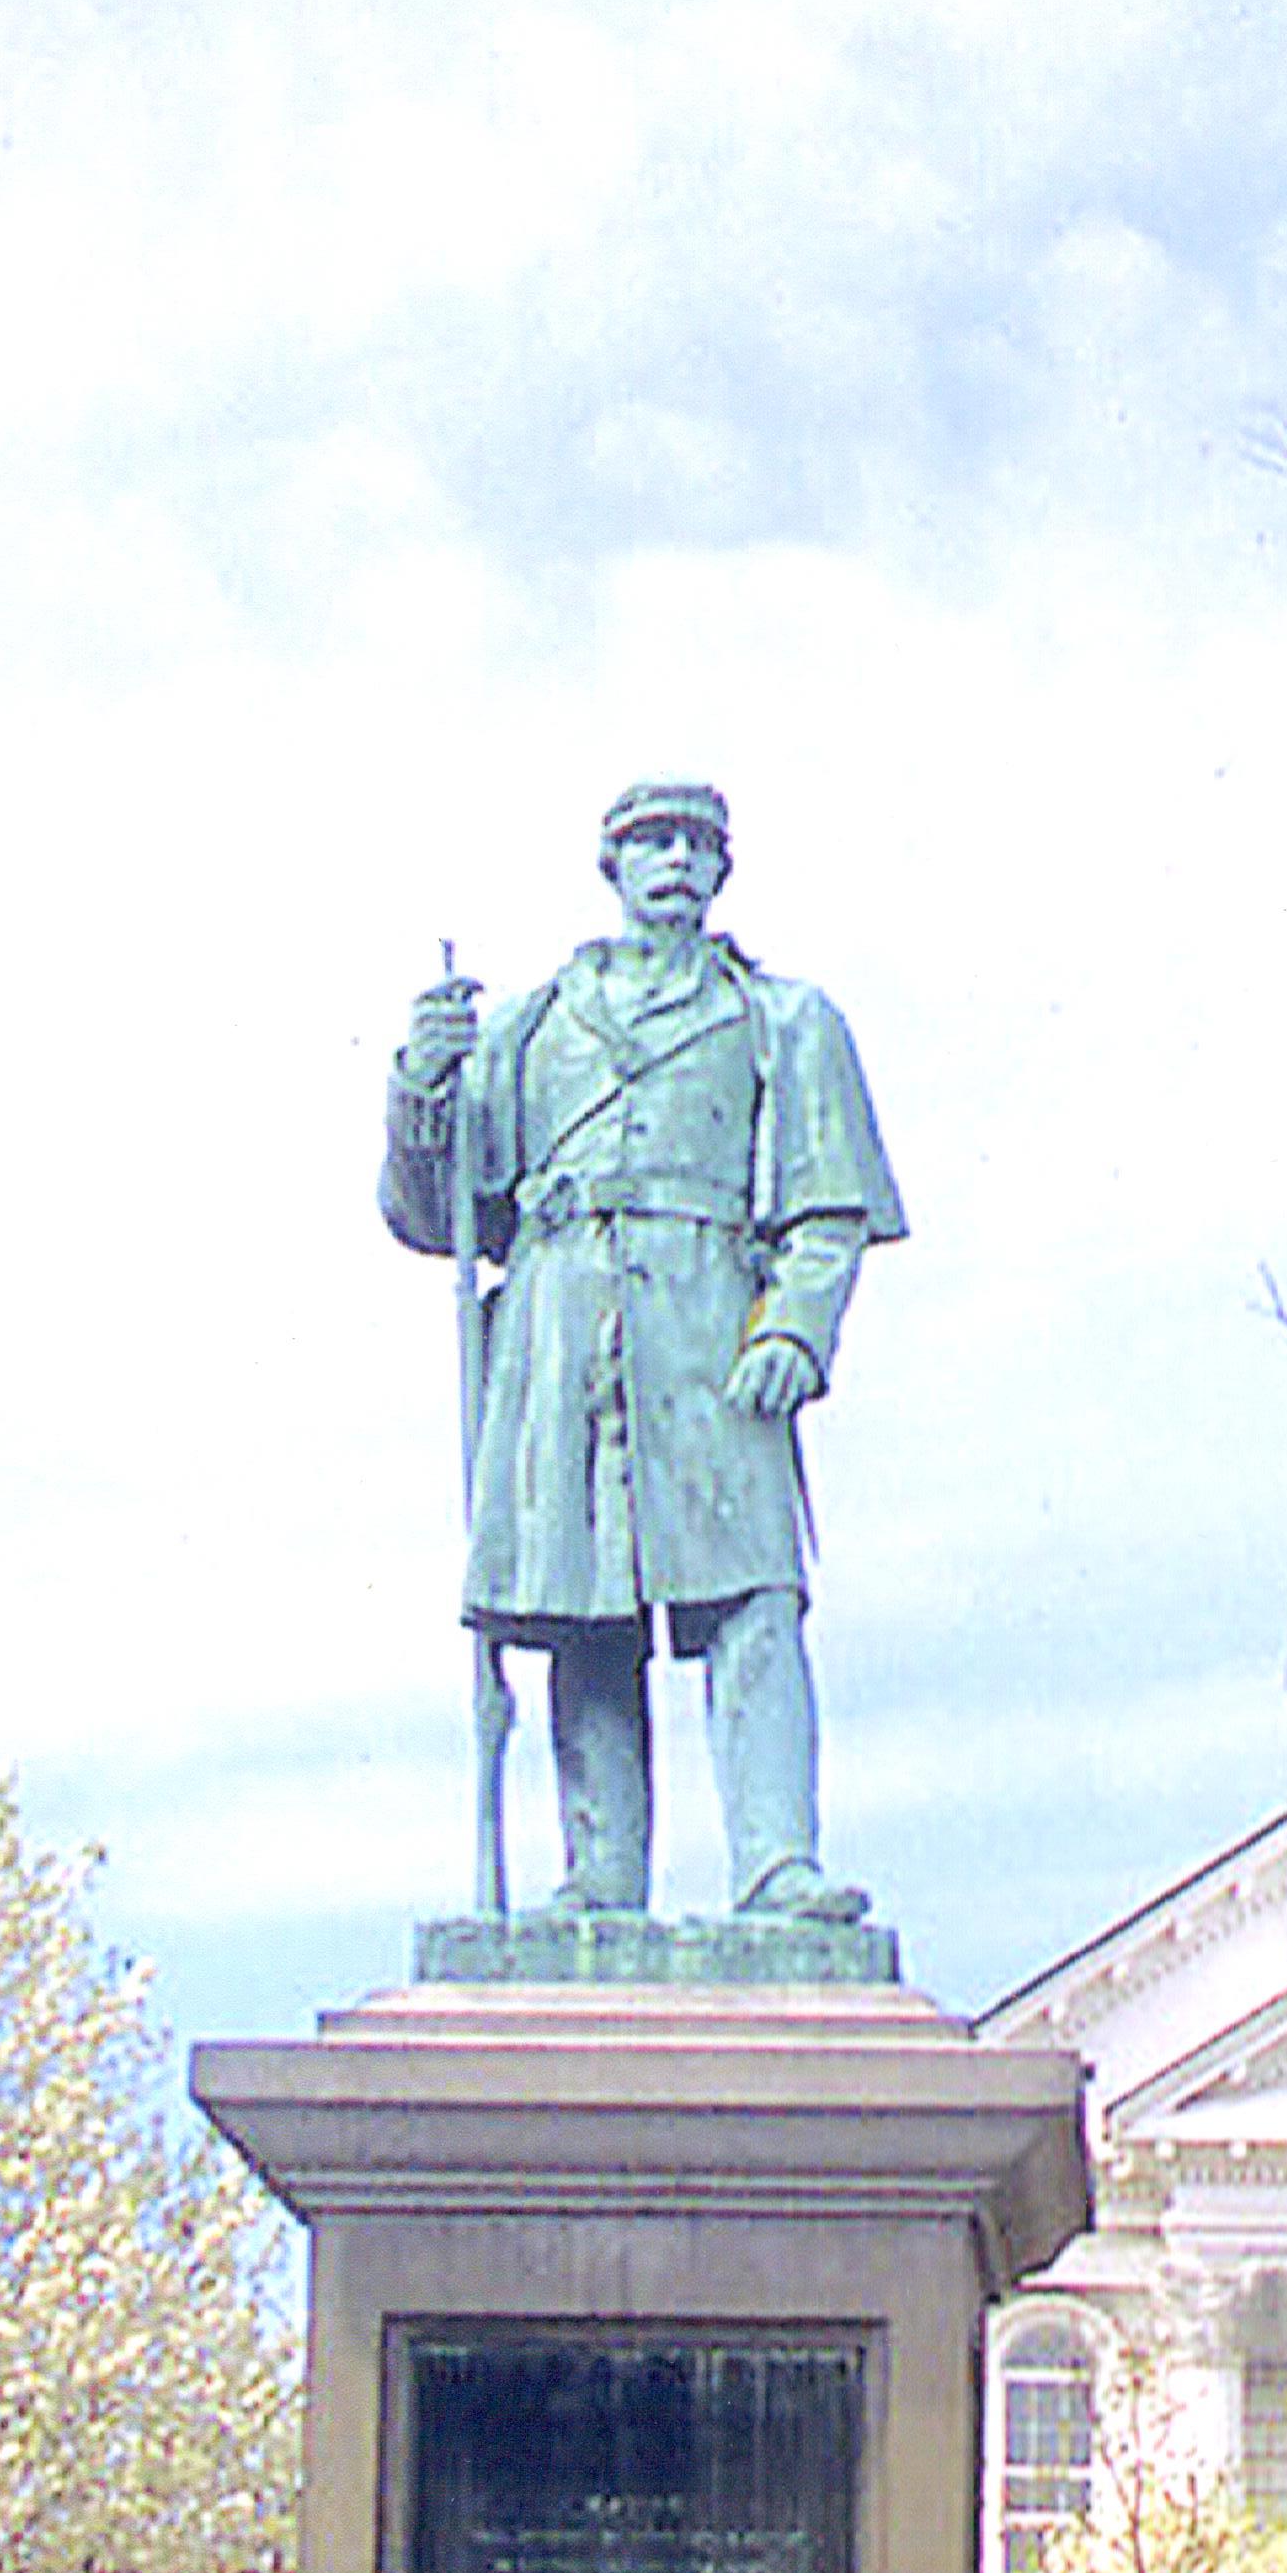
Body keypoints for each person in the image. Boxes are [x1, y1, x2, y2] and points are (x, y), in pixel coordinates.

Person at [382, 781, 902, 1922]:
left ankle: (777, 1865)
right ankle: (600, 1877)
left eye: (696, 844)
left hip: (711, 1323)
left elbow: (831, 1207)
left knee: (754, 1601)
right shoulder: (527, 1024)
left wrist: (795, 1328)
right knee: (586, 1612)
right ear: (611, 865)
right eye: (650, 843)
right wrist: (423, 1084)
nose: (674, 860)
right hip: (562, 1329)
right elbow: (441, 1215)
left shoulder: (785, 1017)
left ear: (722, 870)